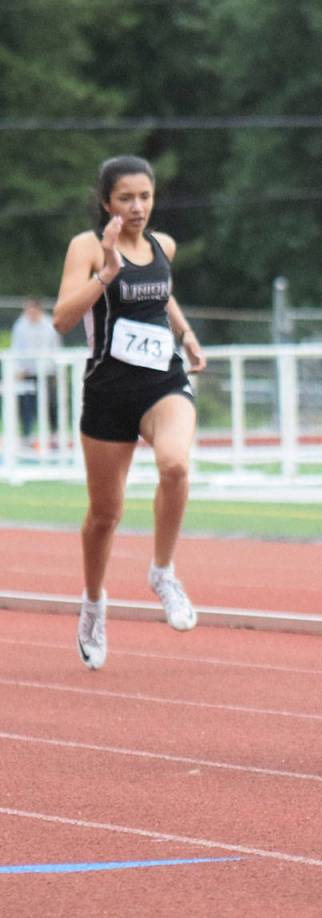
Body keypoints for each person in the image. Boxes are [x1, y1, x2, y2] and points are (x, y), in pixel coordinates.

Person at [53, 155, 207, 671]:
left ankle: (163, 571)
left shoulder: (164, 245)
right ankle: (94, 603)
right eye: (126, 198)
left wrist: (186, 335)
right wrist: (106, 273)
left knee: (176, 465)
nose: (137, 207)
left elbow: (162, 296)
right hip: (108, 392)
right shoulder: (87, 246)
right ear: (106, 203)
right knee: (105, 516)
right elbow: (61, 319)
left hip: (162, 382)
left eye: (145, 196)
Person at [9, 298, 61, 447]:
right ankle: (27, 434)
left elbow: (55, 347)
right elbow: (16, 347)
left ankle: (54, 434)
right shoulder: (20, 326)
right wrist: (18, 369)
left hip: (47, 371)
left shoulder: (49, 325)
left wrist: (54, 370)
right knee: (26, 404)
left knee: (51, 403)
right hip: (28, 371)